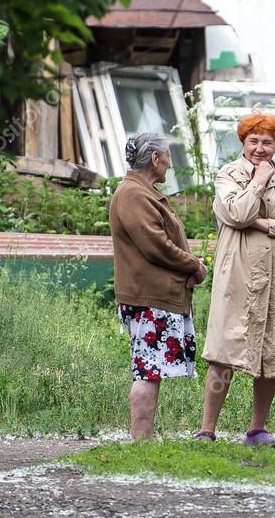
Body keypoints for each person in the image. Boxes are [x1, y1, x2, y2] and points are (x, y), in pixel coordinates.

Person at [196, 114, 275, 446]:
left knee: (273, 350)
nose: (260, 148)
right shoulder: (228, 175)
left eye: (268, 142)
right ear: (243, 142)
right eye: (254, 141)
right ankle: (207, 429)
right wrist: (258, 182)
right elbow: (237, 214)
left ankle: (257, 429)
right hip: (240, 275)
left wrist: (263, 225)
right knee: (227, 349)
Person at [109, 132, 207, 441]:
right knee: (148, 369)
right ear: (154, 159)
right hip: (149, 297)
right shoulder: (134, 194)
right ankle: (141, 441)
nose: (170, 163)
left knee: (150, 368)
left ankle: (144, 439)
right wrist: (193, 264)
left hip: (156, 296)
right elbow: (157, 246)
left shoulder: (142, 192)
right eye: (167, 156)